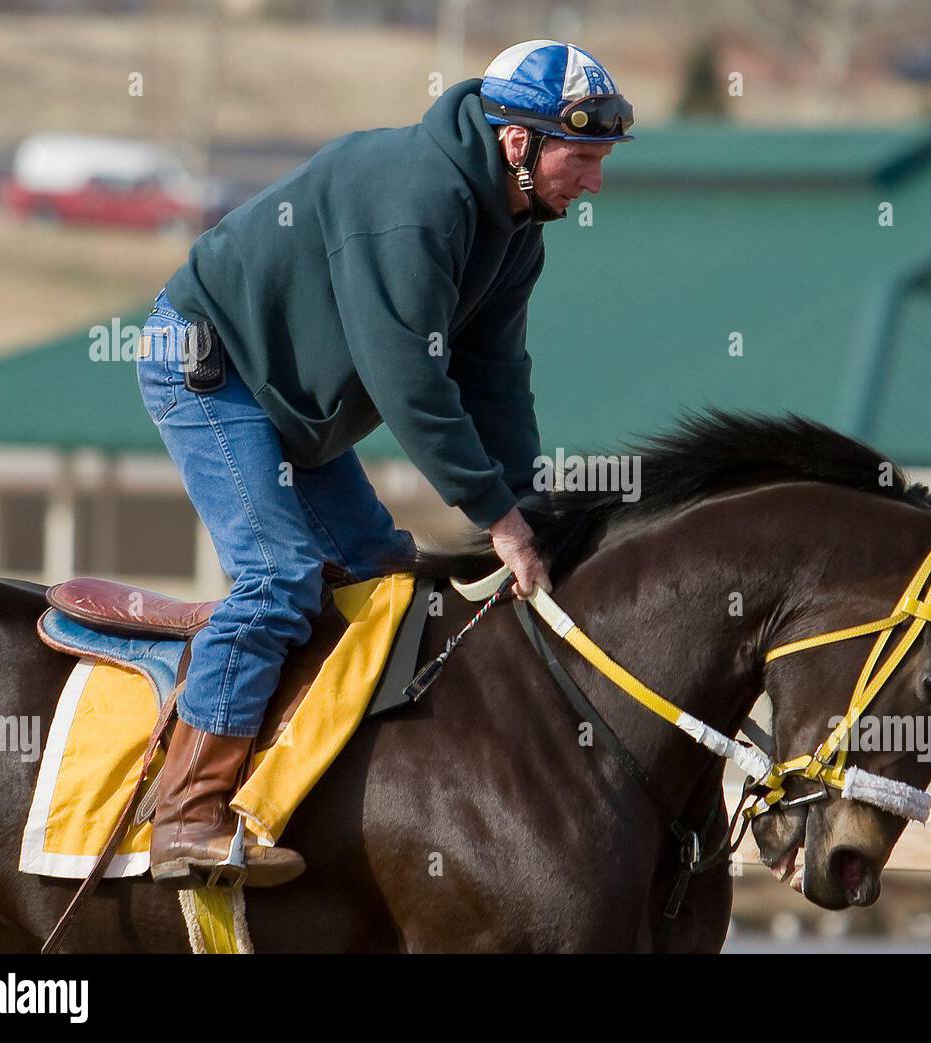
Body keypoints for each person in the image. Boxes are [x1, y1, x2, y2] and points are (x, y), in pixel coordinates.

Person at [136, 40, 634, 887]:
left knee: (381, 570)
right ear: (516, 144)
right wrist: (495, 516)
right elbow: (410, 379)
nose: (594, 182)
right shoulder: (417, 203)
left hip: (289, 400)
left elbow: (495, 377)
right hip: (209, 369)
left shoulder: (517, 234)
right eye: (581, 158)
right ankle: (185, 814)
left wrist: (531, 508)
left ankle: (317, 782)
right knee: (279, 578)